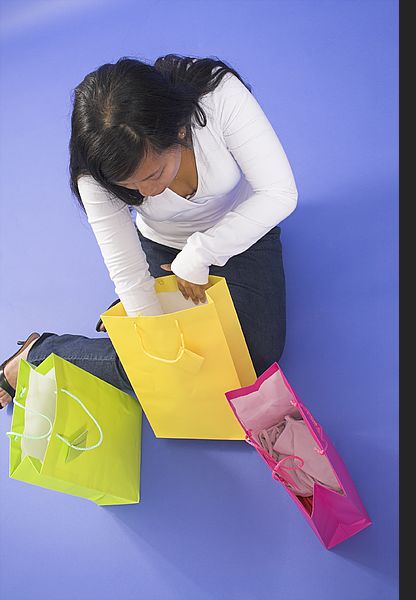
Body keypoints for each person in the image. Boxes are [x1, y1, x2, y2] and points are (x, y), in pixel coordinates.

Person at [0, 54, 298, 409]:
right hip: (163, 246)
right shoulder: (95, 173)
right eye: (130, 186)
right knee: (169, 366)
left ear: (179, 131)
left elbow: (279, 193)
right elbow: (127, 271)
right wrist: (156, 344)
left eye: (155, 174)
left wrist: (202, 252)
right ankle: (43, 354)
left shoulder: (218, 99)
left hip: (244, 228)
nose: (145, 194)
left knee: (257, 356)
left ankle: (139, 313)